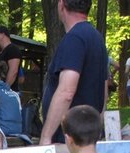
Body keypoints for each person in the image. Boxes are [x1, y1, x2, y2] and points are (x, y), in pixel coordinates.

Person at [39, 0, 108, 145]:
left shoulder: (74, 39)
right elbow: (104, 86)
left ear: (61, 5)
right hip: (86, 136)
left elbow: (66, 91)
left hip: (68, 138)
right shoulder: (96, 37)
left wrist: (46, 137)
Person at [0, 26, 22, 91]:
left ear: (3, 34)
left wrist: (5, 89)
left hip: (9, 92)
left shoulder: (13, 49)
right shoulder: (1, 52)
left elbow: (13, 71)